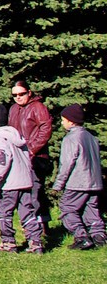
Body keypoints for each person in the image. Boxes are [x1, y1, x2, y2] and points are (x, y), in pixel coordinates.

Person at [0, 104, 44, 254]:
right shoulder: (18, 137)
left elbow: (1, 161)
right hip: (25, 182)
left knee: (4, 213)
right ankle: (36, 242)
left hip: (9, 184)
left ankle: (8, 242)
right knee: (27, 213)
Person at [51, 104, 105, 250]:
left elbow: (67, 163)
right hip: (95, 182)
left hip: (78, 181)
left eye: (63, 120)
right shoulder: (91, 137)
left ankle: (81, 237)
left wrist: (58, 184)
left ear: (71, 121)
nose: (62, 123)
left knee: (67, 207)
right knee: (91, 208)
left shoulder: (71, 138)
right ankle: (99, 236)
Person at [8, 79, 54, 224]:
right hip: (19, 157)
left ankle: (42, 225)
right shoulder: (13, 109)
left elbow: (45, 130)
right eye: (14, 95)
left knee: (36, 191)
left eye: (21, 94)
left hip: (36, 157)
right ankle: (30, 224)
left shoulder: (38, 107)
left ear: (29, 92)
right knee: (25, 192)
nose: (18, 97)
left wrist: (31, 149)